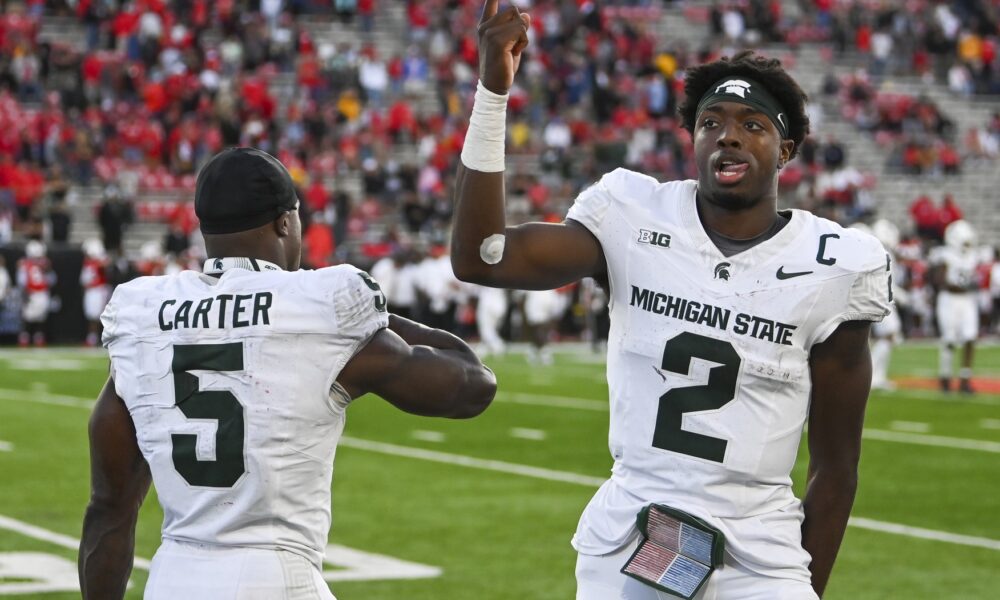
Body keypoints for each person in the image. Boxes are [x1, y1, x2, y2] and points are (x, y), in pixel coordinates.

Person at [451, 4, 891, 598]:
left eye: (753, 125)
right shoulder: (633, 215)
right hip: (632, 532)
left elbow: (835, 465)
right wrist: (492, 94)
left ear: (786, 151)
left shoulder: (834, 263)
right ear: (693, 138)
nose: (728, 134)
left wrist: (804, 584)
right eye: (712, 122)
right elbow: (482, 257)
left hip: (761, 549)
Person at [79, 147, 496, 600]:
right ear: (284, 222)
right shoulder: (317, 307)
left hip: (173, 577)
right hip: (275, 576)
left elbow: (109, 510)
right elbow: (471, 386)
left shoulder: (144, 311)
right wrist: (374, 320)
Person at [929, 219, 980, 393]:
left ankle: (965, 378)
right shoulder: (945, 255)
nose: (967, 244)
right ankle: (945, 376)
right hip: (949, 299)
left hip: (966, 300)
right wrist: (957, 286)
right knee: (949, 339)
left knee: (970, 337)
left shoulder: (973, 255)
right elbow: (939, 280)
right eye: (965, 241)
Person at [16, 240, 54, 347]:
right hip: (34, 293)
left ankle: (35, 338)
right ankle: (27, 337)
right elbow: (22, 281)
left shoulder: (42, 265)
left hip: (39, 292)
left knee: (39, 317)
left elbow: (51, 280)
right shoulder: (26, 264)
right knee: (28, 317)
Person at [80, 238, 111, 347]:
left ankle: (99, 338)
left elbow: (106, 264)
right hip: (91, 290)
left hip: (98, 290)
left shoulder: (99, 261)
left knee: (99, 315)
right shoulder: (88, 262)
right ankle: (92, 338)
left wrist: (98, 257)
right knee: (91, 315)